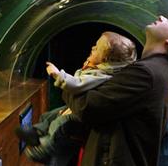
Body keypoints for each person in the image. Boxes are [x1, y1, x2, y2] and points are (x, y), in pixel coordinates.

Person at [61, 15, 168, 166]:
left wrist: (66, 83)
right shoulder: (159, 71)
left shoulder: (148, 73)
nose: (161, 17)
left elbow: (87, 107)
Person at [15, 31, 137, 165]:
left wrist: (58, 74)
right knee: (50, 115)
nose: (92, 48)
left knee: (60, 123)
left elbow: (77, 85)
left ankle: (45, 148)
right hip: (76, 108)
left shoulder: (102, 75)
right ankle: (37, 132)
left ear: (106, 58)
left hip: (81, 119)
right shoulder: (98, 68)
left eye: (97, 48)